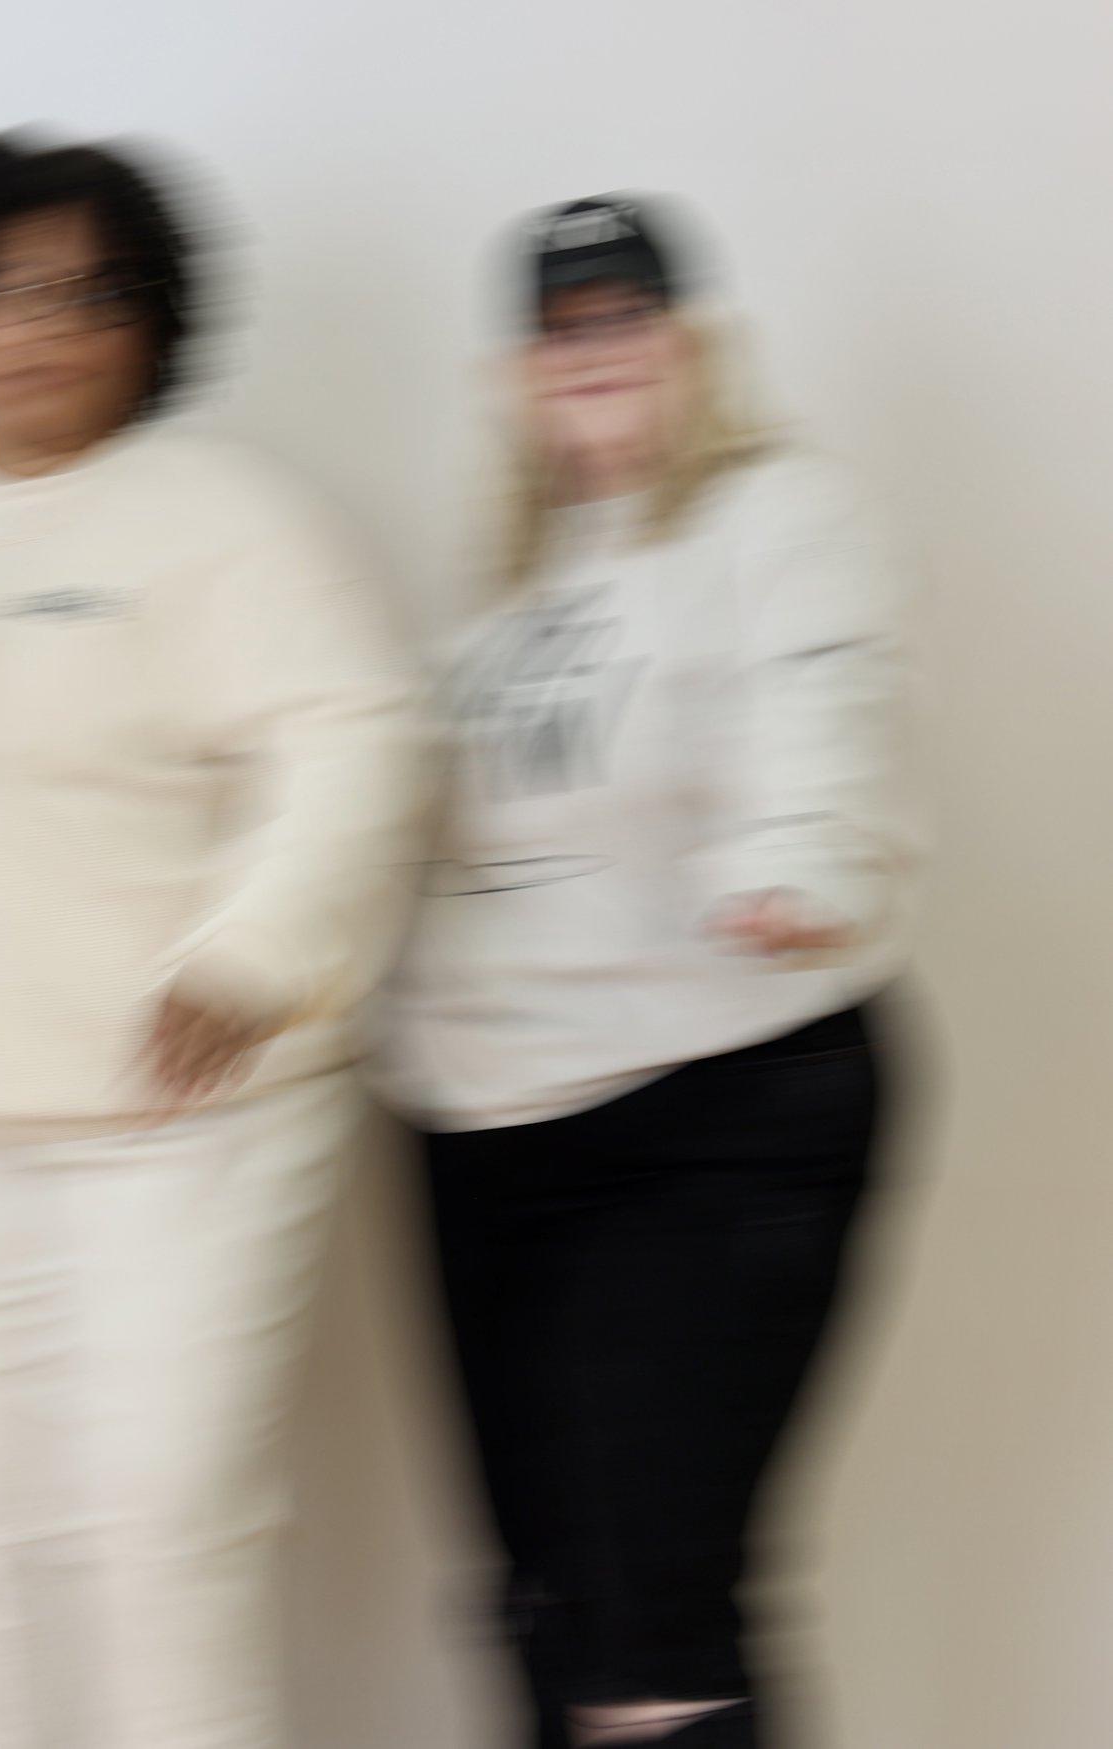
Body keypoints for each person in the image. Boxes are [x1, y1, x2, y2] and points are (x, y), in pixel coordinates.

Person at [0, 133, 429, 1749]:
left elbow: (361, 740)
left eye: (86, 294)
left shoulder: (231, 522)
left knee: (160, 1522)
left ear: (153, 322)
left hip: (184, 1114)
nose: (38, 329)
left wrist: (254, 950)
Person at [373, 195, 914, 1749]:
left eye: (626, 316)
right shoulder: (503, 580)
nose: (594, 349)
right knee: (542, 1602)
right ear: (516, 375)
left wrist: (798, 862)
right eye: (561, 329)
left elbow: (822, 708)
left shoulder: (777, 514)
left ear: (696, 346)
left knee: (649, 1618)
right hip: (486, 1120)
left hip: (717, 1098)